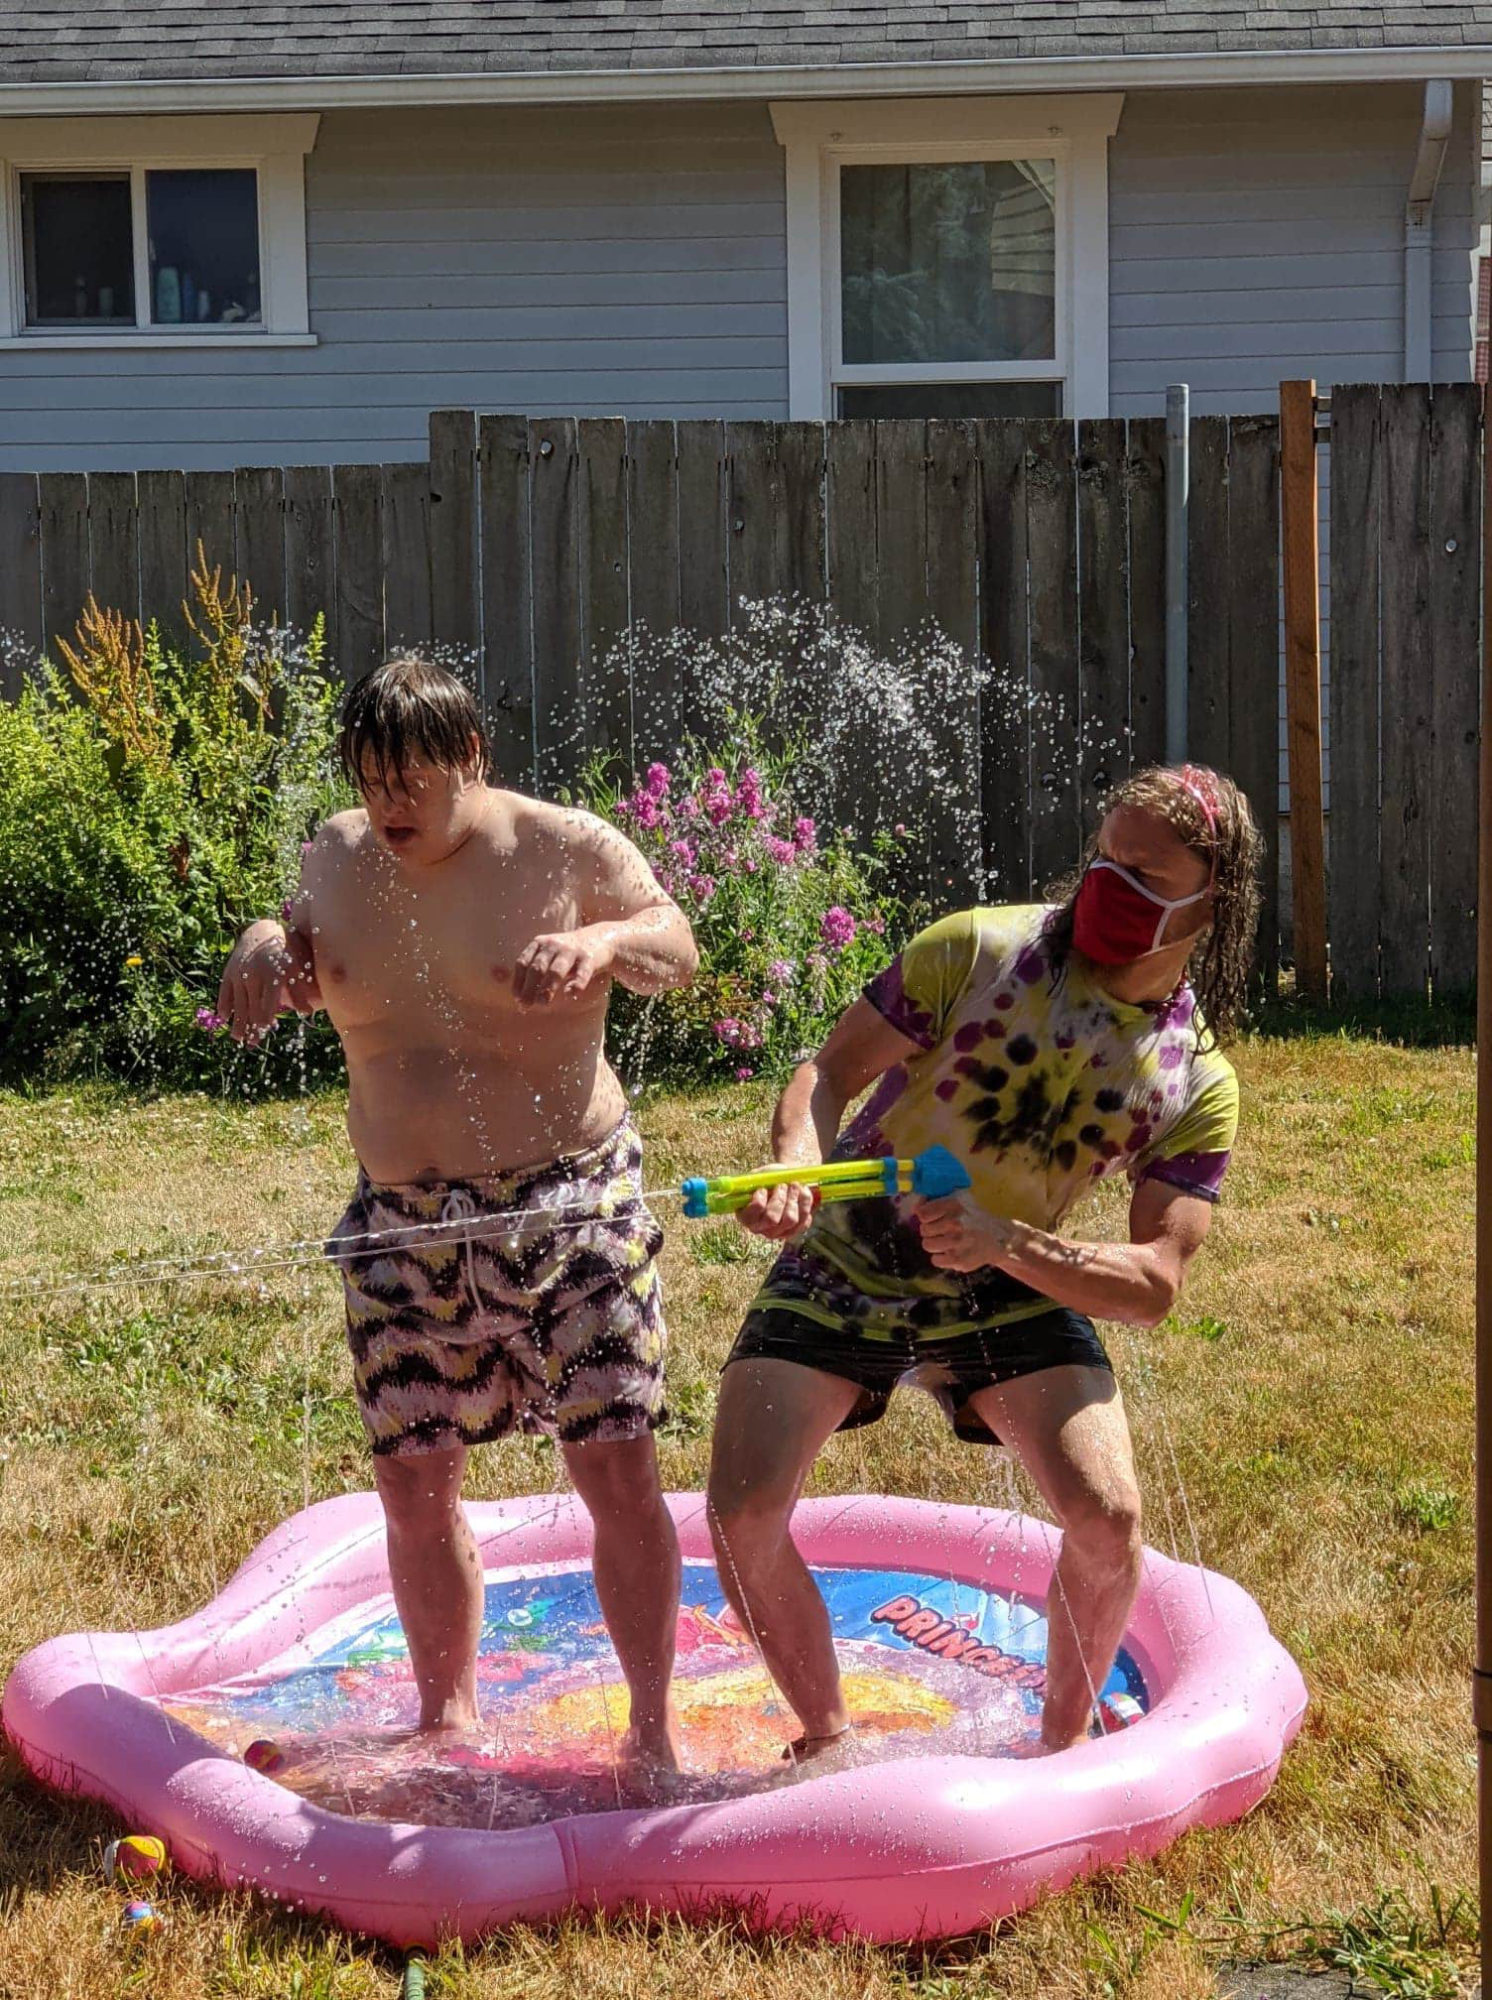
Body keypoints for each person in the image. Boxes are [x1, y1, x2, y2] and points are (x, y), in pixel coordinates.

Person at [706, 764, 1262, 1762]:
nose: (1109, 883)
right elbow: (831, 1069)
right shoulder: (977, 949)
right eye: (1104, 856)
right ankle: (827, 1737)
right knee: (742, 1508)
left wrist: (1007, 1242)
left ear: (1209, 897)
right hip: (849, 1248)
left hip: (1010, 1278)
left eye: (1144, 871)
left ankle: (1057, 1749)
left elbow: (1154, 1282)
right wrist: (795, 1158)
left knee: (1107, 1517)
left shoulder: (1194, 1079)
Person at [216, 655, 698, 1787]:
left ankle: (650, 1732)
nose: (390, 805)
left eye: (413, 781)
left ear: (470, 759)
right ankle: (445, 1717)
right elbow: (303, 945)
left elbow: (677, 944)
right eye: (372, 778)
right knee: (412, 1476)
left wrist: (604, 944)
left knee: (615, 1460)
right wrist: (259, 943)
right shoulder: (337, 855)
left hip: (567, 1193)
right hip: (401, 1220)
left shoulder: (560, 845)